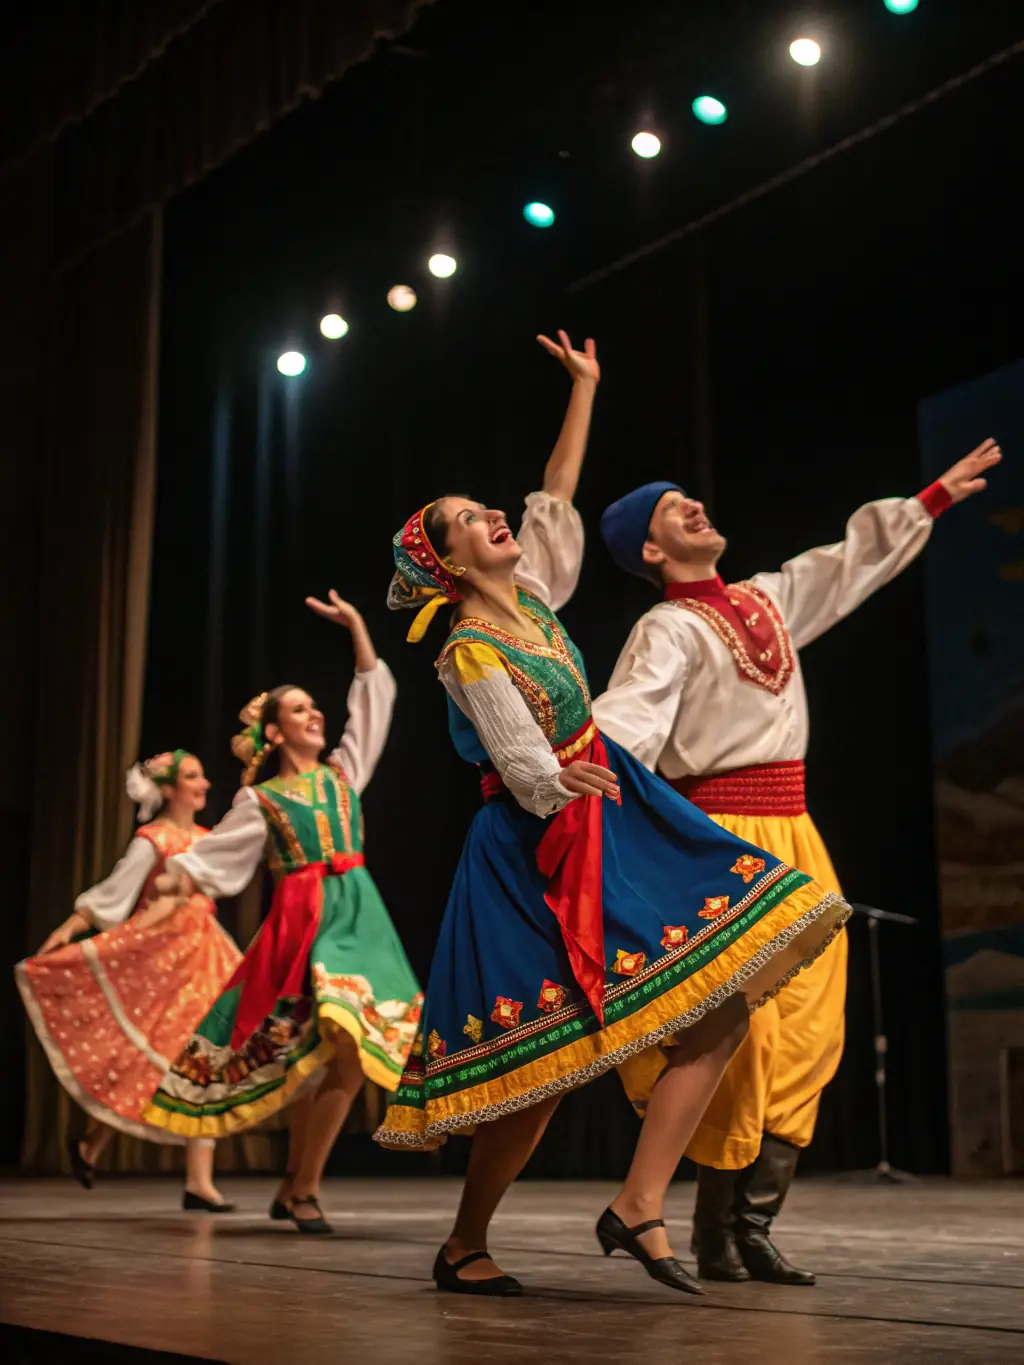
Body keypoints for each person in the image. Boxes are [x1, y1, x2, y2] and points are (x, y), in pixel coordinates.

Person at [374, 331, 849, 1298]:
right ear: (451, 562)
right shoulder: (467, 646)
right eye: (473, 519)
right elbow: (517, 760)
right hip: (530, 845)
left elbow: (556, 487)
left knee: (723, 999)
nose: (499, 517)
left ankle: (638, 1202)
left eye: (488, 510)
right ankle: (466, 1240)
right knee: (544, 1073)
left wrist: (585, 387)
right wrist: (564, 779)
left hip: (604, 817)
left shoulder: (538, 599)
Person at [592, 436, 1003, 1285]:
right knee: (743, 1039)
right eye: (674, 509)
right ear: (651, 550)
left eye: (690, 496)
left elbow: (845, 565)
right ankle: (714, 1225)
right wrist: (576, 778)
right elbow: (628, 723)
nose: (695, 505)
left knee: (813, 1030)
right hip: (724, 841)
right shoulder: (665, 626)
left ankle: (751, 1221)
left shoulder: (767, 600)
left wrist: (930, 498)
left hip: (796, 834)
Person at [140, 594, 422, 1235]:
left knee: (346, 1054)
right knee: (332, 1046)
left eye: (313, 706)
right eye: (298, 708)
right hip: (304, 923)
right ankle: (301, 1189)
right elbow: (207, 863)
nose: (314, 713)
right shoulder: (258, 801)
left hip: (360, 916)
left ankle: (300, 1186)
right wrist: (159, 902)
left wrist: (357, 629)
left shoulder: (345, 774)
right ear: (274, 732)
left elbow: (374, 698)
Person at [16, 751, 242, 1210]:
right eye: (192, 777)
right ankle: (95, 1143)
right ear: (168, 789)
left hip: (205, 953)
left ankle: (198, 1180)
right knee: (158, 1059)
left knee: (204, 1056)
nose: (203, 784)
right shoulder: (153, 840)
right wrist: (68, 930)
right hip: (158, 959)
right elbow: (113, 894)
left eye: (202, 776)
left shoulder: (207, 839)